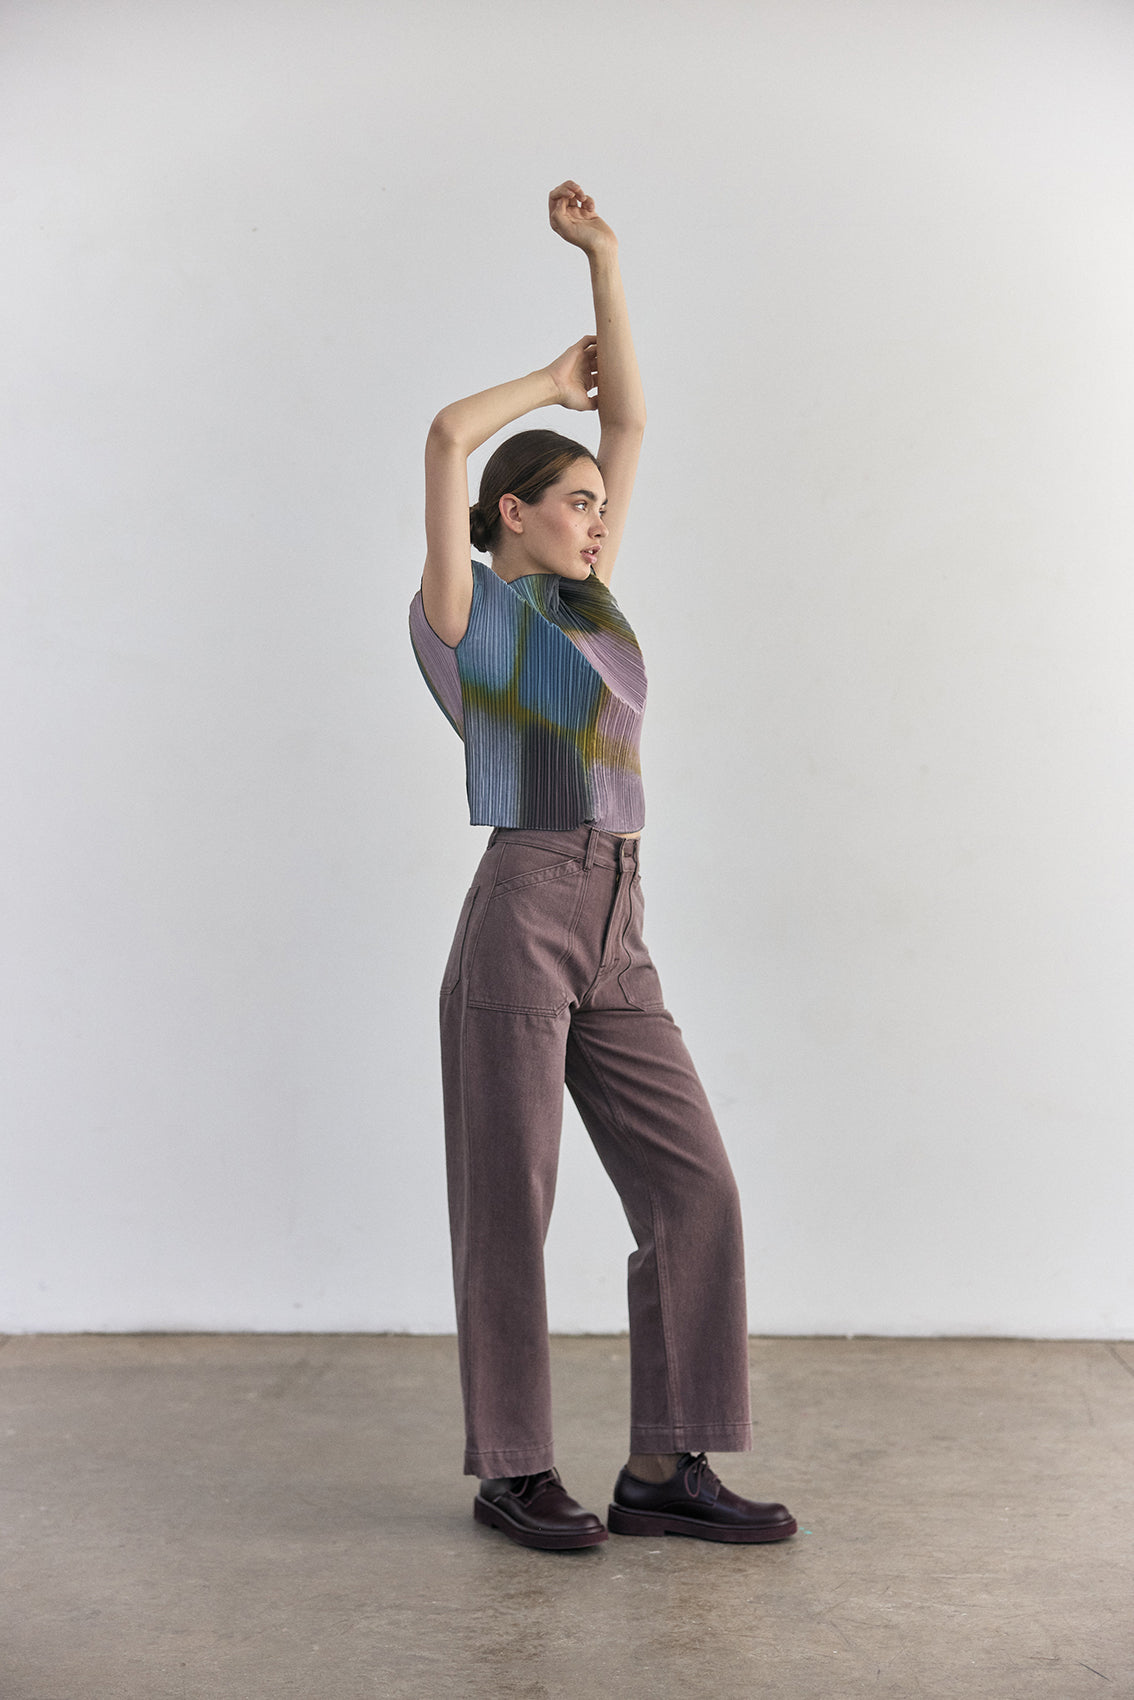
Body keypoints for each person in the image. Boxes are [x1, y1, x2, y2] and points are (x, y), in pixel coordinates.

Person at [409, 181, 796, 1551]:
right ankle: (512, 1469)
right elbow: (448, 436)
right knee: (508, 1207)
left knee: (693, 1185)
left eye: (596, 506)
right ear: (511, 514)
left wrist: (606, 267)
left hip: (619, 916)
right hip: (523, 908)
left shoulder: (587, 601)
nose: (596, 515)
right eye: (572, 502)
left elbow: (626, 423)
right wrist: (540, 380)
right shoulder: (466, 615)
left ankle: (663, 1465)